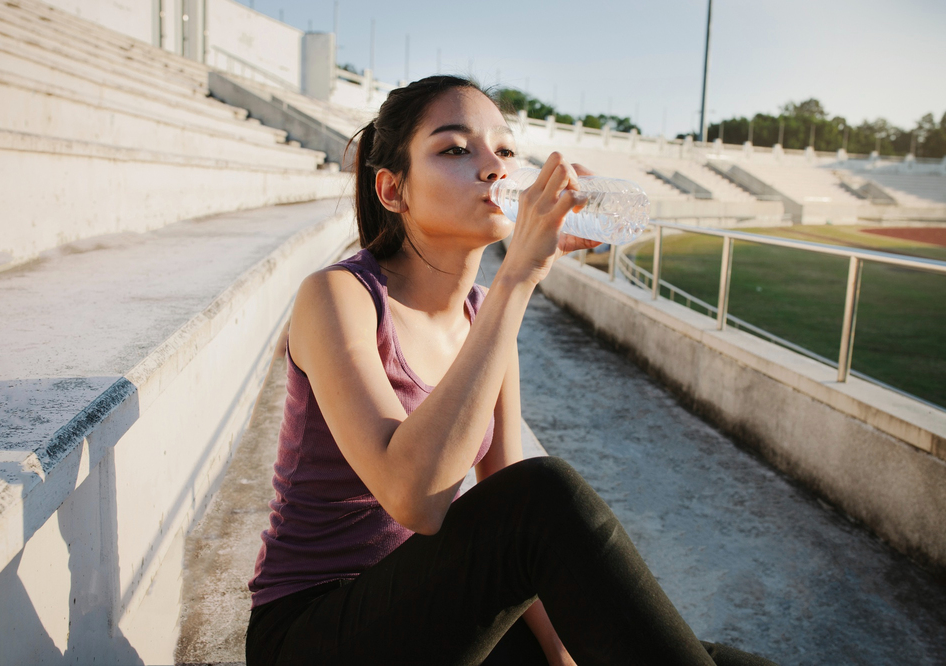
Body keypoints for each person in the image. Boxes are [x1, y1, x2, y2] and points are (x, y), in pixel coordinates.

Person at [246, 75, 777, 666]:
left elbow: (509, 508)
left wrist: (562, 654)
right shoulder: (340, 297)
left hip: (435, 611)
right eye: (454, 149)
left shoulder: (482, 315)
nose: (494, 169)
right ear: (393, 190)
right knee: (547, 491)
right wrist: (519, 276)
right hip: (316, 631)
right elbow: (415, 499)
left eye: (504, 150)